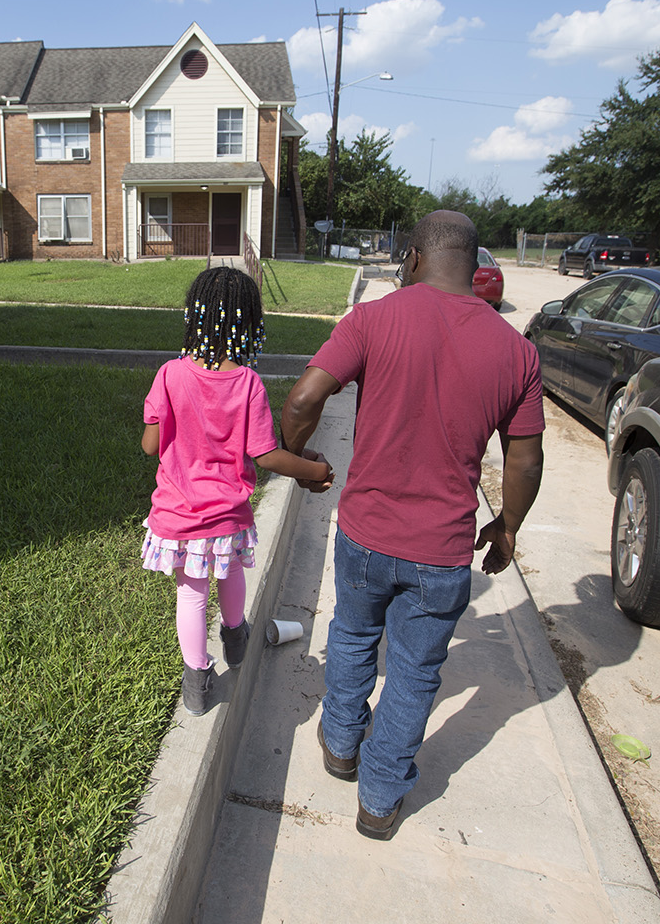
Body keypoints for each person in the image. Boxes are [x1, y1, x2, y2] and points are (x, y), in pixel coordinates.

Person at [281, 210, 545, 840]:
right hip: (443, 550)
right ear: (476, 264)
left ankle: (341, 745)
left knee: (351, 634)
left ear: (416, 259)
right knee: (415, 671)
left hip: (365, 533)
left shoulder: (373, 319)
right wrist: (507, 525)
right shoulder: (517, 351)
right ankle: (379, 799)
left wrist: (300, 462)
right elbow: (526, 456)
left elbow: (302, 400)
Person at [142, 267, 335, 716]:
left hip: (179, 513)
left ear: (195, 318)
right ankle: (235, 636)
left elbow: (151, 445)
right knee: (229, 572)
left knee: (190, 594)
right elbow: (265, 455)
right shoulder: (247, 383)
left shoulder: (169, 374)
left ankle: (196, 685)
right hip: (227, 513)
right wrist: (313, 469)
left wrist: (158, 418)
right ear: (248, 324)